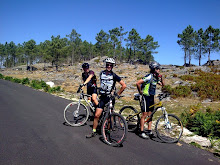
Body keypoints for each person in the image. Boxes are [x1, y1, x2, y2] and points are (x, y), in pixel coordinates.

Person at [86, 58, 126, 138]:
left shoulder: (114, 75)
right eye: (107, 64)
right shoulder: (101, 73)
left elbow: (124, 85)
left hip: (110, 98)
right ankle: (93, 131)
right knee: (97, 115)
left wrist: (117, 94)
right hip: (102, 97)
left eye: (110, 65)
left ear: (112, 66)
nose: (109, 66)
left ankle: (107, 131)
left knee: (110, 115)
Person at [136, 61, 164, 139]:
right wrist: (140, 92)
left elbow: (163, 85)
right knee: (144, 115)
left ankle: (149, 130)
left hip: (151, 97)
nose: (159, 70)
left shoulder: (155, 78)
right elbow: (138, 83)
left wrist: (161, 78)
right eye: (158, 69)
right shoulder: (149, 76)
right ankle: (141, 132)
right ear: (154, 69)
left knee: (150, 115)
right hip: (146, 96)